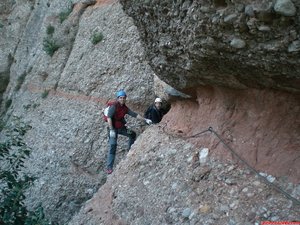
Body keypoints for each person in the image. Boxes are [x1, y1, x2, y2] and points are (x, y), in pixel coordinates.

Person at [106, 90, 152, 174]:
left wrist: (145, 119)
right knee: (113, 145)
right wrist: (111, 129)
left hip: (120, 128)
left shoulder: (124, 108)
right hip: (112, 128)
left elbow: (134, 114)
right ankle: (109, 167)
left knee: (132, 134)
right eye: (120, 98)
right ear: (118, 98)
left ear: (125, 98)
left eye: (124, 98)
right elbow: (109, 118)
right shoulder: (114, 106)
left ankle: (129, 151)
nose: (122, 99)